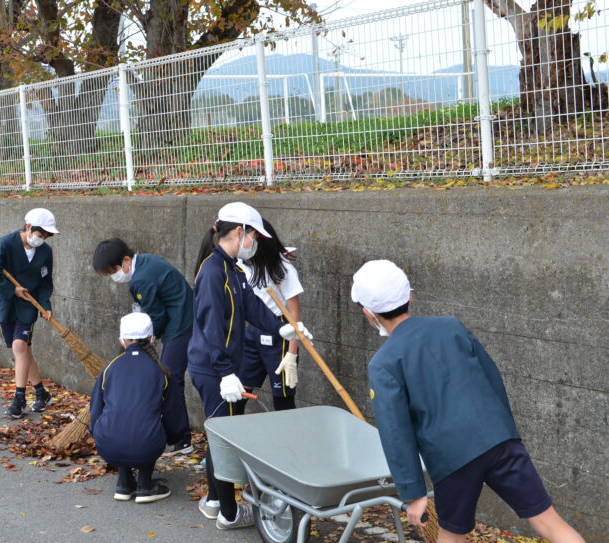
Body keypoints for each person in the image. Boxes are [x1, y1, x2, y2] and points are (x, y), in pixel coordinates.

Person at [351, 260, 585, 543]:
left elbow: (395, 432)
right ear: (410, 297)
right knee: (548, 521)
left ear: (368, 313)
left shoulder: (383, 363)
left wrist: (413, 494)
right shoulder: (452, 326)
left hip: (452, 457)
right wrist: (505, 430)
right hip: (499, 438)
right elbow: (491, 377)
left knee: (451, 534)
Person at [188, 202, 312, 530]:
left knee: (226, 432)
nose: (254, 242)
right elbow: (212, 324)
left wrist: (284, 328)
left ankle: (220, 502)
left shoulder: (232, 269)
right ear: (240, 233)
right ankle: (227, 512)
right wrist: (226, 372)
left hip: (222, 365)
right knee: (223, 437)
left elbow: (252, 309)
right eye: (253, 235)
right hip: (213, 368)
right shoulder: (214, 271)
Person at [92, 238, 194, 455]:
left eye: (113, 271)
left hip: (183, 324)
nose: (114, 276)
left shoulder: (141, 279)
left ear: (126, 260)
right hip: (180, 318)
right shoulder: (147, 261)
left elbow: (155, 316)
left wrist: (142, 340)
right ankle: (177, 437)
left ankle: (181, 440)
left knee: (170, 378)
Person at [90, 312, 181, 504]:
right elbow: (174, 415)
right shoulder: (161, 370)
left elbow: (96, 410)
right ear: (152, 339)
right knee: (146, 423)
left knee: (124, 421)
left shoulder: (109, 368)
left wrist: (96, 433)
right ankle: (145, 486)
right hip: (147, 444)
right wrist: (175, 438)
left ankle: (124, 483)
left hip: (106, 444)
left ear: (121, 340)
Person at [0, 208, 57, 419]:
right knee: (23, 351)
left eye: (46, 237)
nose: (41, 240)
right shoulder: (6, 244)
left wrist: (45, 305)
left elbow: (45, 282)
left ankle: (19, 399)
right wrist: (12, 290)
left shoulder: (45, 253)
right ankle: (42, 393)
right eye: (40, 235)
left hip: (28, 306)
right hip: (6, 304)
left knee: (19, 346)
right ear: (28, 228)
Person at [238, 218, 304, 410]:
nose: (243, 242)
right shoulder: (241, 264)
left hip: (280, 335)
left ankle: (288, 439)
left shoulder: (283, 268)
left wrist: (292, 354)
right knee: (239, 391)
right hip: (252, 331)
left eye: (247, 236)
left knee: (282, 397)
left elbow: (294, 314)